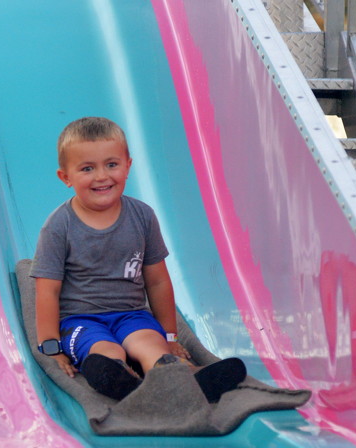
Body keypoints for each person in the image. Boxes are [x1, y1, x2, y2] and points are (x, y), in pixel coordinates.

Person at [30, 117, 245, 401]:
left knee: (150, 345)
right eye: (87, 168)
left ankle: (184, 377)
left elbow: (157, 282)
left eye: (111, 164)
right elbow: (47, 291)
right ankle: (122, 380)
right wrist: (51, 347)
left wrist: (170, 337)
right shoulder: (59, 226)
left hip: (131, 315)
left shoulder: (142, 216)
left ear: (128, 166)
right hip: (81, 320)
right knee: (106, 351)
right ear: (65, 177)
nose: (102, 176)